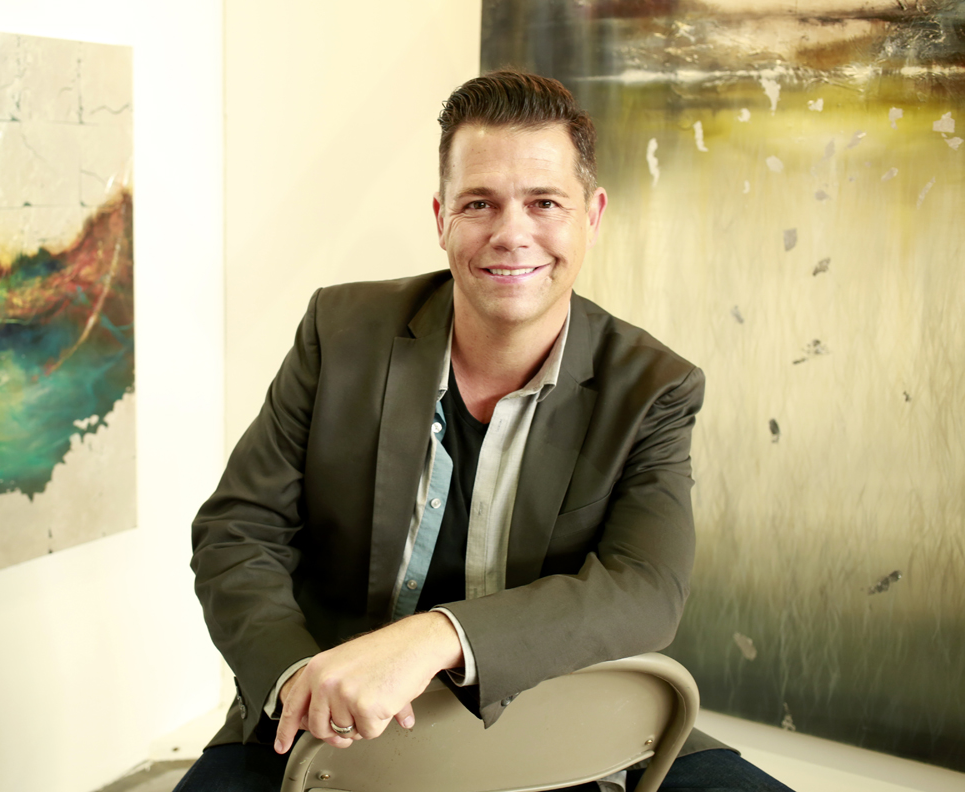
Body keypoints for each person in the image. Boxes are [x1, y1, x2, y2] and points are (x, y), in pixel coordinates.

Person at [179, 71, 793, 792]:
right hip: (329, 720)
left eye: (544, 203)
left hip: (553, 718)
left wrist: (437, 635)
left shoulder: (654, 387)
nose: (511, 234)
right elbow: (238, 532)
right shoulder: (338, 333)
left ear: (592, 216)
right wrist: (299, 680)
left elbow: (646, 589)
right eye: (480, 203)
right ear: (442, 216)